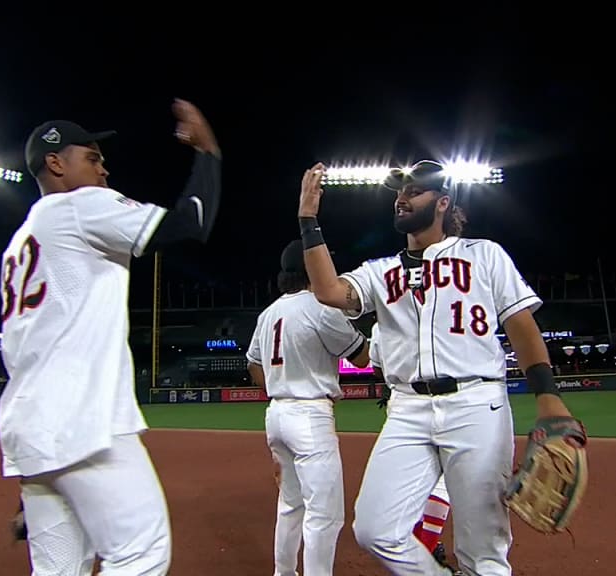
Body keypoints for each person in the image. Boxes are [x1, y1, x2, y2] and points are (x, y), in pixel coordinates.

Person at [296, 159, 586, 576]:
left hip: (476, 404)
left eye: (415, 191)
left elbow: (521, 327)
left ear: (443, 203)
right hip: (407, 410)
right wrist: (309, 219)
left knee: (482, 550)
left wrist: (548, 398)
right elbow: (327, 290)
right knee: (375, 529)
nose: (402, 198)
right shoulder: (381, 272)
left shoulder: (484, 255)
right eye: (400, 192)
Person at [0, 99, 221, 575]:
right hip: (83, 422)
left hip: (34, 429)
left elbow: (23, 349)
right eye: (92, 158)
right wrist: (208, 154)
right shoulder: (79, 207)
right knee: (140, 553)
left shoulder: (23, 239)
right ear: (56, 164)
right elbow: (191, 225)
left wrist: (39, 472)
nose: (105, 168)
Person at [246, 239, 370, 576]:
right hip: (310, 416)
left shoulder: (269, 312)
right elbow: (361, 357)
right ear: (310, 269)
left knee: (290, 505)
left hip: (277, 415)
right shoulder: (320, 308)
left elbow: (254, 364)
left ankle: (284, 573)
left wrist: (278, 385)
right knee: (324, 515)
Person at [370, 323, 459, 576]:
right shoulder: (446, 308)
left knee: (414, 484)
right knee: (443, 484)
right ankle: (425, 551)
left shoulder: (382, 323)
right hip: (449, 402)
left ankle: (418, 549)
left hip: (401, 403)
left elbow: (377, 367)